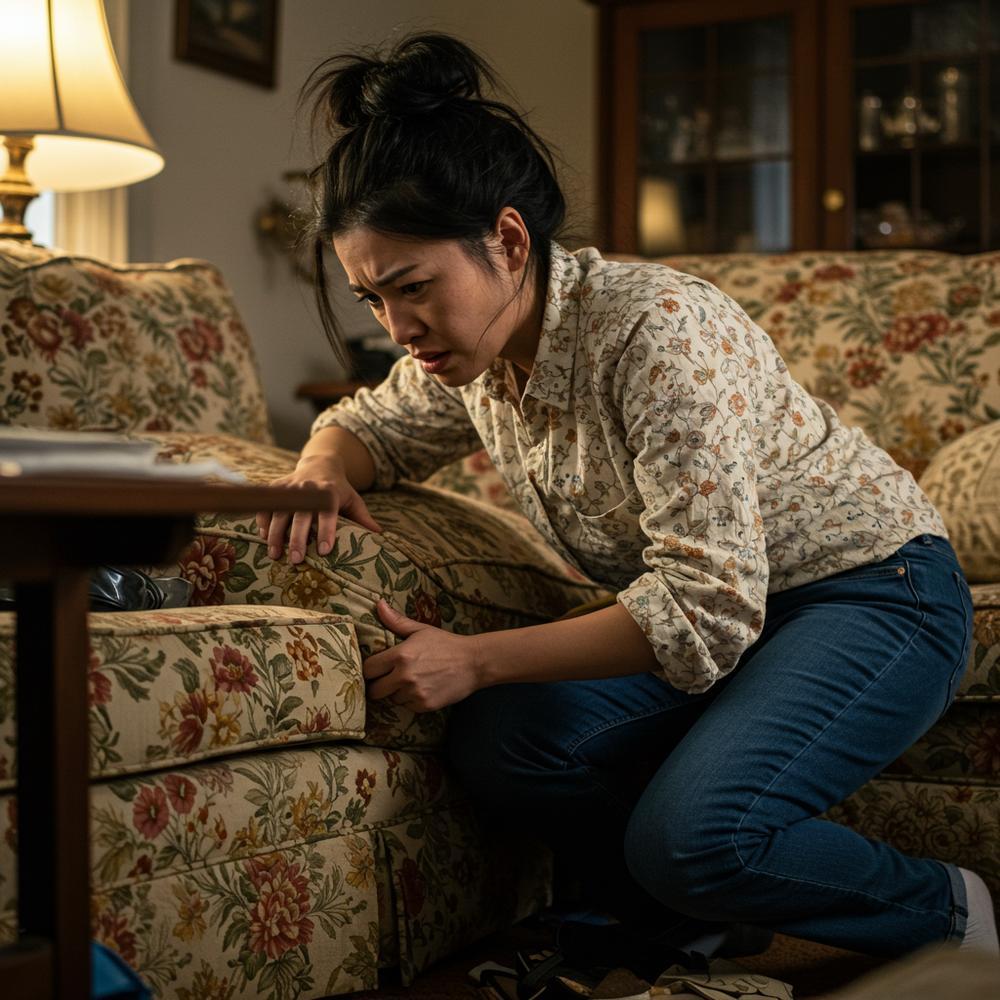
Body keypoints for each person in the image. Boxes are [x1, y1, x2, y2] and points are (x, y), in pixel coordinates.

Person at [256, 31, 998, 971]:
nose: (399, 329)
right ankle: (689, 931)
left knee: (693, 838)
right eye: (370, 298)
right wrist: (321, 467)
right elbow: (369, 426)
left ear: (509, 241)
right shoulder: (468, 357)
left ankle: (947, 909)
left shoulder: (655, 332)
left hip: (876, 594)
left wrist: (477, 658)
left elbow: (706, 605)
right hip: (740, 616)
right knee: (502, 746)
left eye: (413, 288)